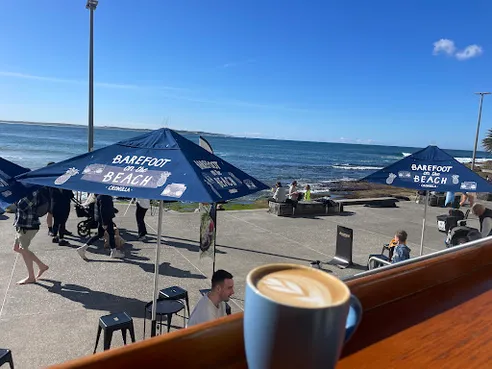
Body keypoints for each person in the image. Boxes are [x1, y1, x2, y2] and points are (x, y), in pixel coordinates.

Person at [13, 189, 49, 284]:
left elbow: (22, 205)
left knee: (23, 249)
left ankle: (32, 275)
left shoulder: (32, 191)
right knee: (17, 248)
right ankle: (41, 267)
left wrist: (14, 195)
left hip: (29, 226)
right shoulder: (25, 190)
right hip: (21, 225)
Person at [77, 194, 124, 260]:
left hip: (101, 218)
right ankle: (114, 251)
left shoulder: (101, 195)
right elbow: (103, 210)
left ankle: (83, 248)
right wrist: (104, 223)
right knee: (111, 234)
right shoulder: (105, 196)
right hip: (106, 219)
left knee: (100, 234)